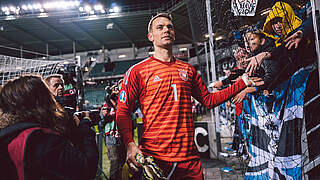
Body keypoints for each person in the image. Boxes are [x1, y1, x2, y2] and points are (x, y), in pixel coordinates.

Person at [116, 13, 262, 179]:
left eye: (169, 27)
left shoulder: (188, 70)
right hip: (156, 158)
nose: (166, 30)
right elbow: (122, 111)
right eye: (160, 27)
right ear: (151, 36)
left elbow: (209, 100)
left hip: (189, 160)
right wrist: (130, 144)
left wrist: (242, 82)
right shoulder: (137, 72)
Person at [0, 75, 98, 180]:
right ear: (40, 100)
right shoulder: (41, 139)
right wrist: (85, 126)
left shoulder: (7, 135)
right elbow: (86, 169)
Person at [245, 1, 315, 76]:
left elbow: (283, 49)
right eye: (274, 22)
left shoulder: (298, 30)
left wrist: (303, 31)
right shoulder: (277, 40)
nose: (277, 26)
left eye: (280, 21)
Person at [101, 83, 125, 180]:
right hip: (111, 137)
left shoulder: (122, 103)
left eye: (117, 89)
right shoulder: (105, 105)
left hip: (122, 136)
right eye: (114, 89)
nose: (116, 91)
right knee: (114, 162)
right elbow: (102, 120)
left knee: (123, 161)